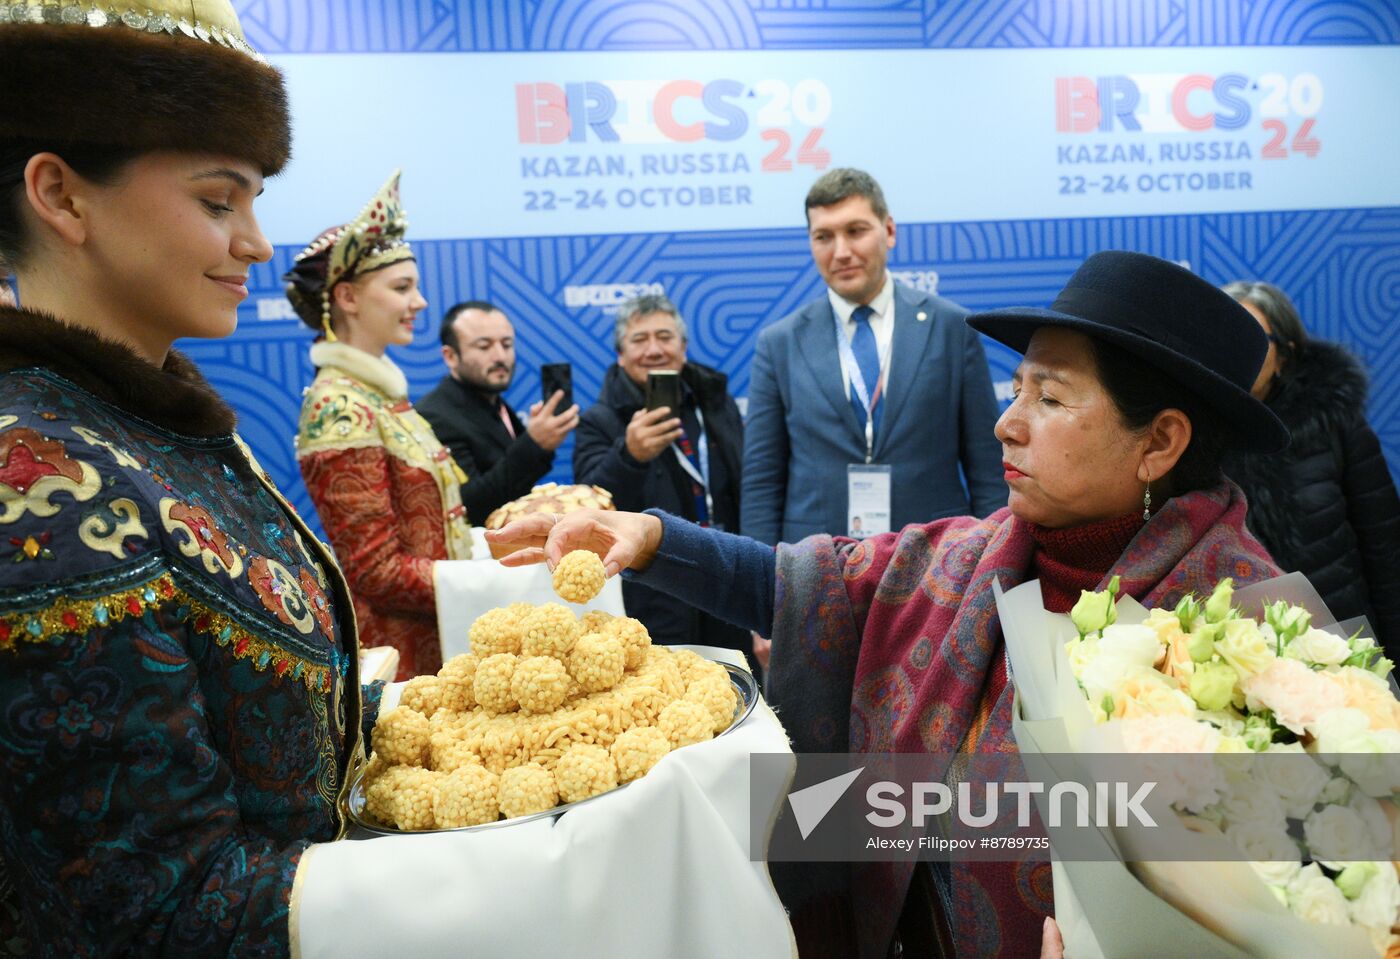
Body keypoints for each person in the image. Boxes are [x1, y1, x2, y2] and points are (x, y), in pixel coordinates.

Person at [489, 251, 1288, 959]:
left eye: (1049, 398)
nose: (1008, 423)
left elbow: (1323, 875)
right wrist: (651, 535)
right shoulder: (975, 554)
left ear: (1159, 442)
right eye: (1017, 389)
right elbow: (814, 582)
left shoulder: (1259, 641)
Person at [0, 5, 376, 953]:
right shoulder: (39, 482)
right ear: (63, 195)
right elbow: (157, 902)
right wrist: (544, 867)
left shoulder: (150, 424)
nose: (254, 241)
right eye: (219, 201)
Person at [741, 167, 1006, 547]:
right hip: (818, 568)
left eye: (855, 231)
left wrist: (991, 561)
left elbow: (986, 469)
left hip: (934, 564)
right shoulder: (780, 342)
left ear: (890, 231)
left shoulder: (950, 328)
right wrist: (761, 577)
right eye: (823, 237)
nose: (842, 251)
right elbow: (762, 481)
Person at [286, 172, 472, 680]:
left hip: (440, 641)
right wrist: (485, 578)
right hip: (399, 661)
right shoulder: (340, 406)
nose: (421, 303)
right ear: (347, 297)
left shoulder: (380, 397)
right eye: (402, 287)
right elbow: (376, 572)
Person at [1221, 280, 1400, 659]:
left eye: (1254, 338)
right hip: (1241, 648)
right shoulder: (1190, 438)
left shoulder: (1332, 421)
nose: (1238, 352)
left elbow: (1384, 546)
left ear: (1285, 354)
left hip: (1341, 638)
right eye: (1226, 336)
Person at [573, 293, 751, 664]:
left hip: (727, 575)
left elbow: (749, 487)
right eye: (639, 340)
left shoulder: (715, 403)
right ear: (621, 355)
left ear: (683, 348)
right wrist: (629, 456)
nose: (653, 349)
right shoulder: (600, 421)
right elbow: (589, 507)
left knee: (738, 688)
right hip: (656, 592)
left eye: (665, 337)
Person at [416, 300, 579, 524]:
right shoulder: (433, 415)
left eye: (507, 344)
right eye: (484, 346)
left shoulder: (495, 402)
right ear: (450, 356)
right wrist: (534, 444)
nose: (500, 356)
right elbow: (468, 506)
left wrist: (538, 445)